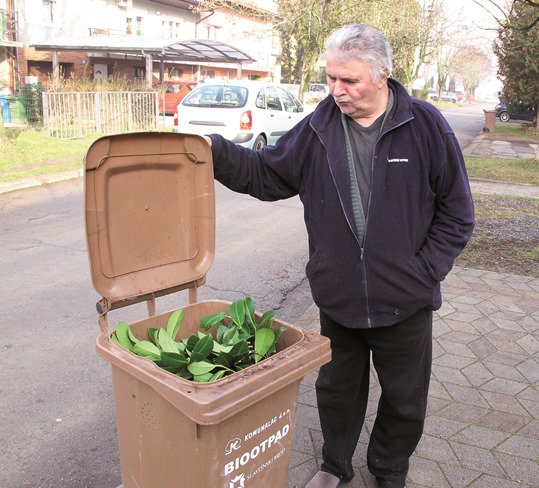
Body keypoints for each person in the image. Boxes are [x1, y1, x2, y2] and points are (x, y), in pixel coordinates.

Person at [204, 24, 474, 488]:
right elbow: (268, 176)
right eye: (331, 78)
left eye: (348, 80)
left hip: (404, 300)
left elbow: (457, 212)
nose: (336, 90)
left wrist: (424, 272)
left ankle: (389, 469)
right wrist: (214, 151)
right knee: (336, 391)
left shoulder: (425, 125)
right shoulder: (318, 127)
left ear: (383, 74)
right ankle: (334, 465)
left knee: (405, 399)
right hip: (339, 294)